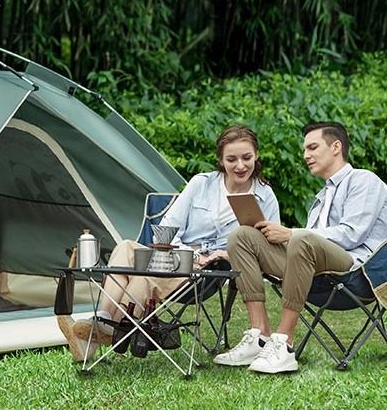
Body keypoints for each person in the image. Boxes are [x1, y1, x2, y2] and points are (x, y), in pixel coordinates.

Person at [58, 125, 280, 361]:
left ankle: (106, 327)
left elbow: (266, 249)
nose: (240, 166)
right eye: (231, 159)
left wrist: (224, 255)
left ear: (256, 155)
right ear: (221, 160)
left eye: (246, 158)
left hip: (208, 272)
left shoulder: (265, 196)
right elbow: (165, 231)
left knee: (144, 275)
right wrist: (187, 252)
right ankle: (104, 320)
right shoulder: (201, 184)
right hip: (177, 255)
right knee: (125, 247)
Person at [212, 121, 387, 373]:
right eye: (305, 149)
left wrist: (290, 234)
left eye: (313, 147)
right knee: (241, 235)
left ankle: (283, 343)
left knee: (302, 239)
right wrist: (279, 237)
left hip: (355, 274)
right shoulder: (321, 198)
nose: (306, 155)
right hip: (315, 276)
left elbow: (351, 234)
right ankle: (259, 335)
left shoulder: (363, 180)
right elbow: (307, 247)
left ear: (336, 146)